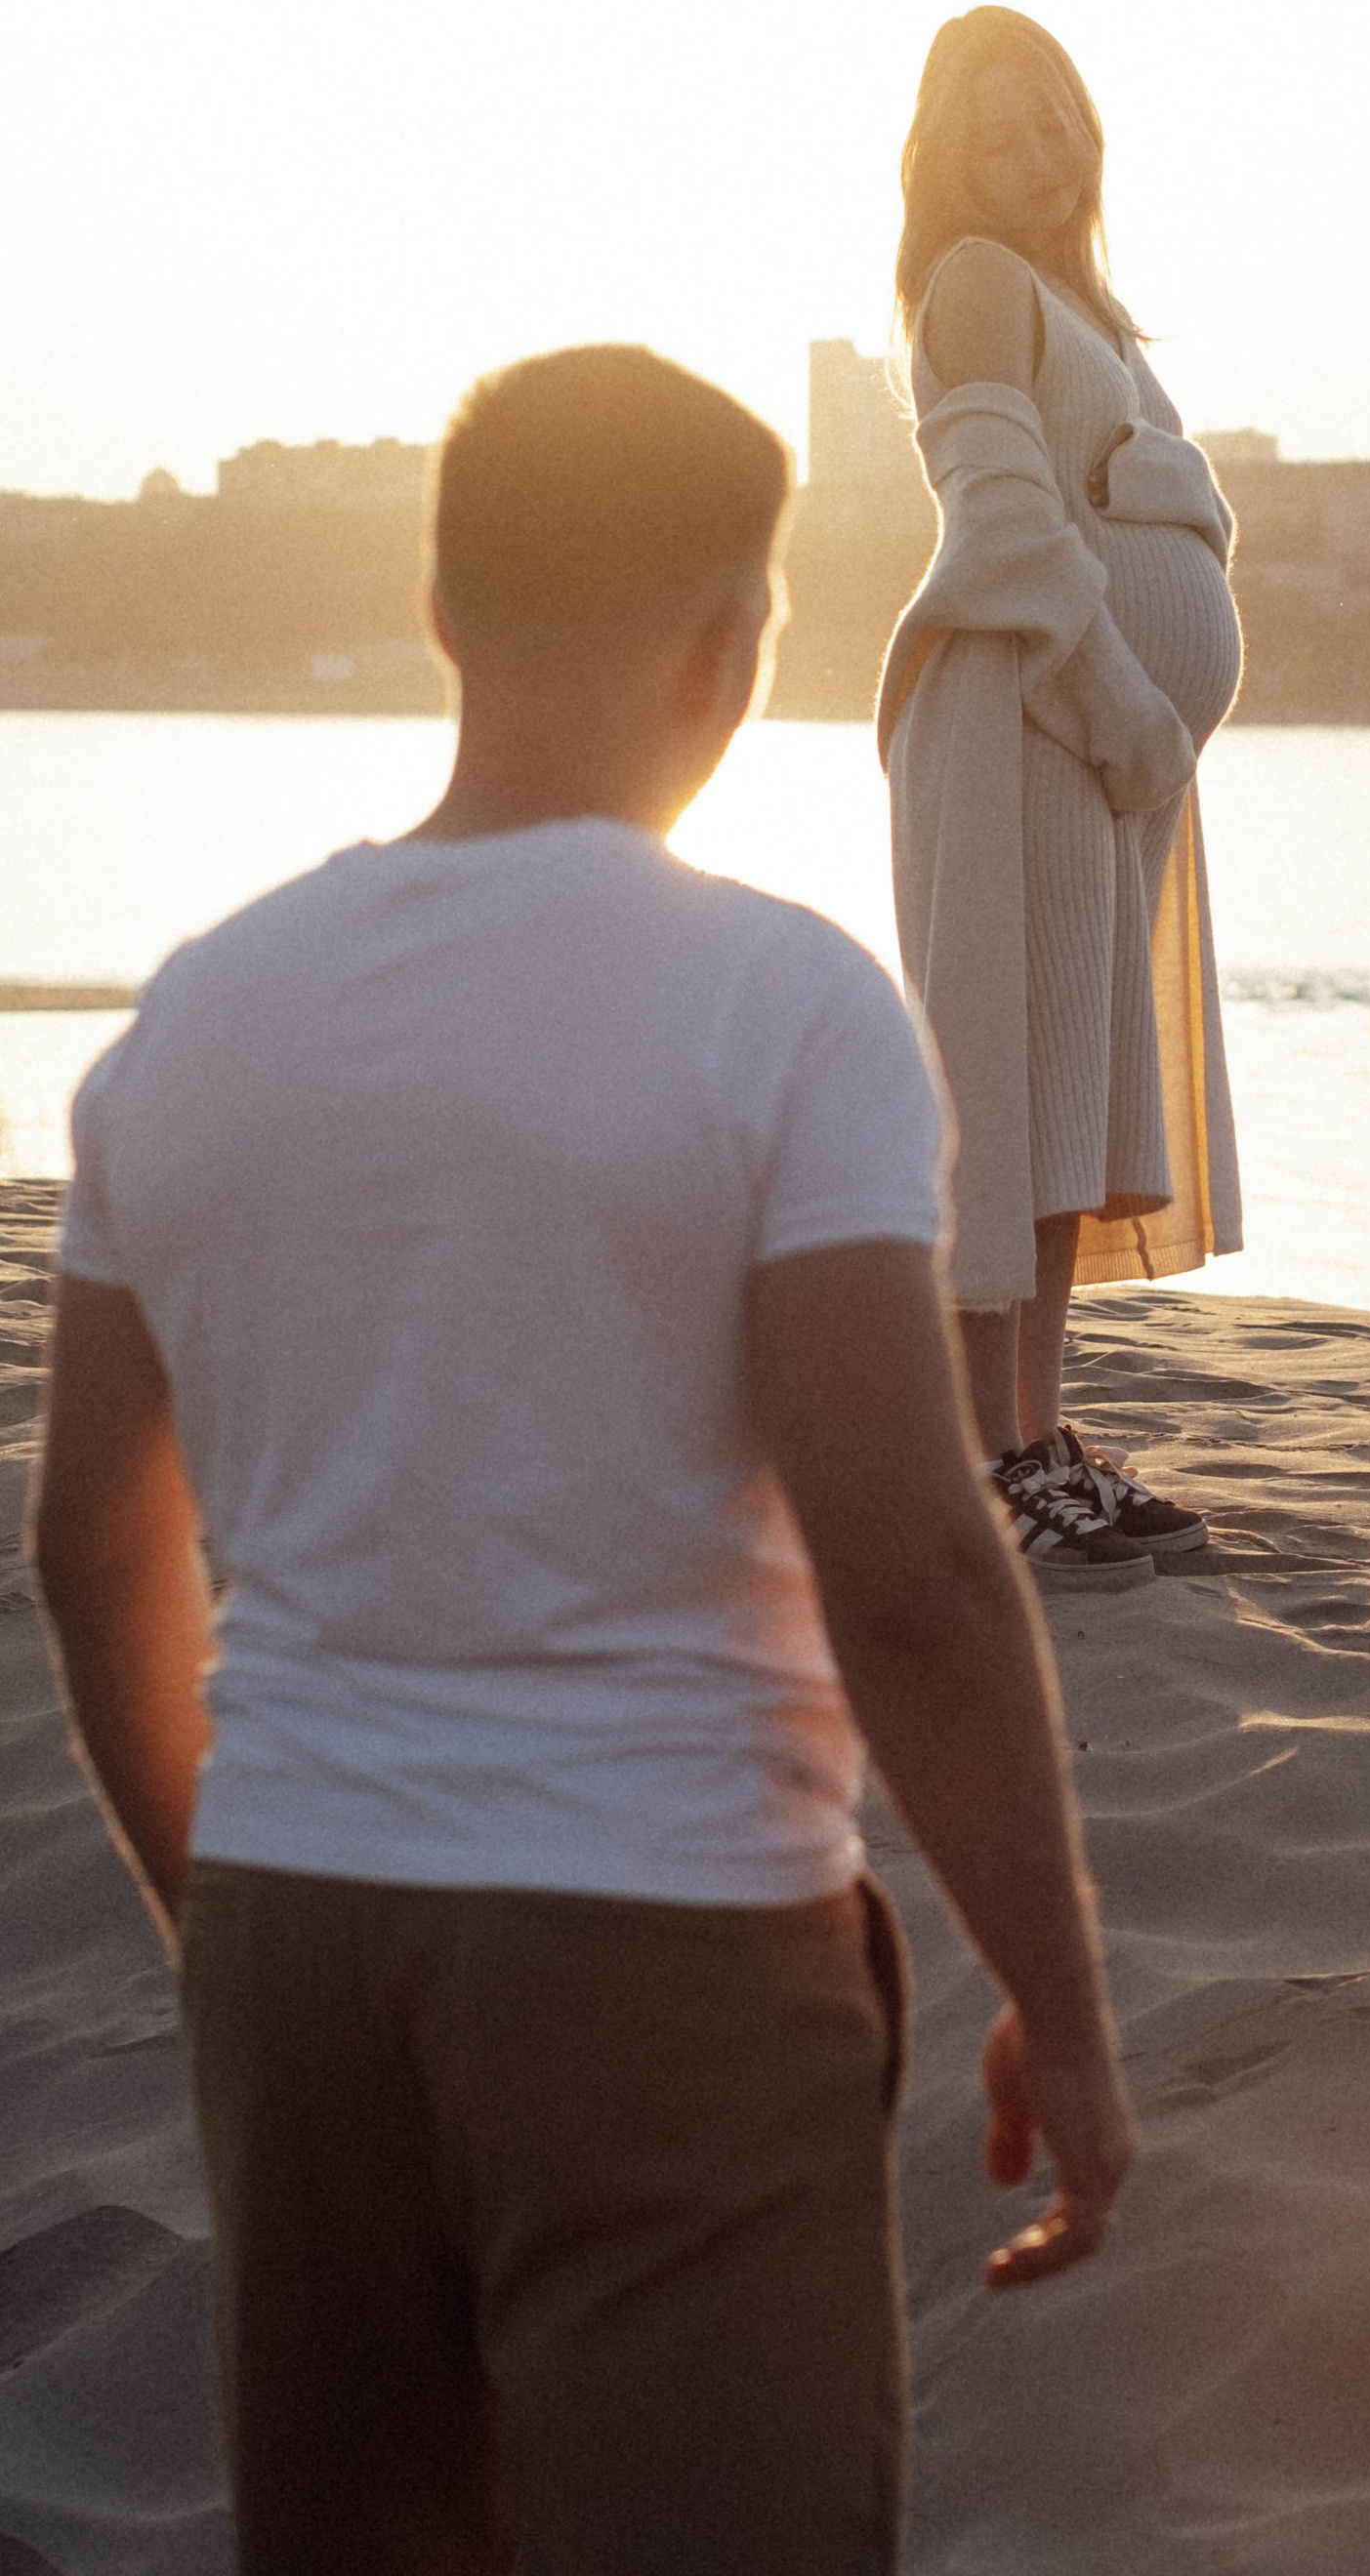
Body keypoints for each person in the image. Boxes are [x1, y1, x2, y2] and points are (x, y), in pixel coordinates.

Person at [31, 343, 1135, 2576]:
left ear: (444, 611)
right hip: (665, 1947)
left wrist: (235, 1912)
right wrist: (1064, 2006)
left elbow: (90, 1554)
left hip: (296, 1939)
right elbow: (910, 1569)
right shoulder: (781, 1005)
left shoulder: (197, 1015)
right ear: (732, 647)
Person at [877, 8, 1243, 1589]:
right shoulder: (973, 283)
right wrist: (1127, 714)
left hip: (1088, 746)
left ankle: (1037, 1435)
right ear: (946, 160)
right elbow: (1009, 529)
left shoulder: (1079, 307)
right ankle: (991, 1460)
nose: (1034, 157)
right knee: (1011, 1096)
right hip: (1031, 717)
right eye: (997, 133)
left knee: (1064, 1100)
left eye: (1052, 124)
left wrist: (1142, 726)